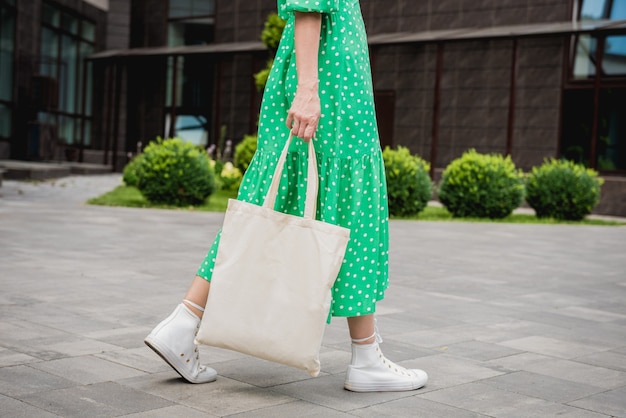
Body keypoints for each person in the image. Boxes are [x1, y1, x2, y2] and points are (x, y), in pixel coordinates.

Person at [144, 0, 428, 392]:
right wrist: (309, 89)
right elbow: (309, 5)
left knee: (270, 207)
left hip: (327, 75)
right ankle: (365, 358)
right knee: (345, 209)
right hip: (330, 83)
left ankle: (184, 321)